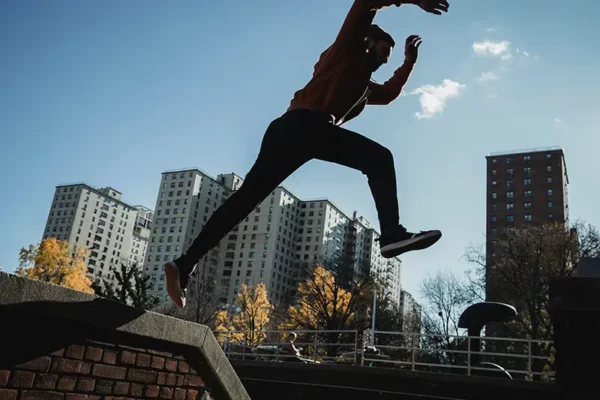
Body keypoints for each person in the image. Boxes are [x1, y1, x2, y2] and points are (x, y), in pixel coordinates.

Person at [166, 0, 450, 307]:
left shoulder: (365, 89)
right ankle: (392, 233)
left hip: (287, 132)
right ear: (368, 43)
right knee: (380, 159)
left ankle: (184, 264)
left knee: (244, 200)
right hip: (305, 126)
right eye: (383, 52)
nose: (384, 60)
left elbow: (390, 93)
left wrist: (408, 62)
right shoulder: (346, 48)